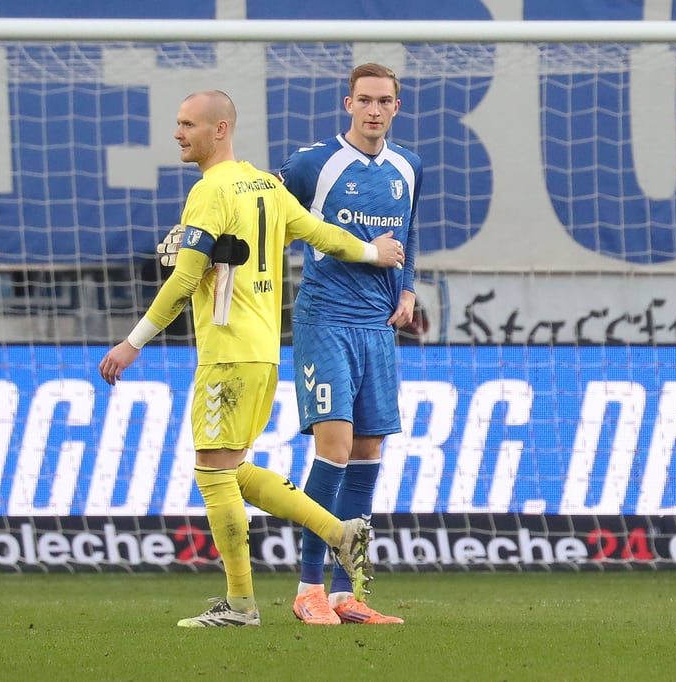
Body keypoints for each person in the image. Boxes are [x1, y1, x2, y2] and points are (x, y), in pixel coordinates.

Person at [99, 89, 405, 628]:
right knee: (231, 467)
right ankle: (338, 532)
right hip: (264, 354)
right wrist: (370, 251)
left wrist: (133, 342)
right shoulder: (266, 183)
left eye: (188, 123)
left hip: (226, 354)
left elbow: (186, 277)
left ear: (220, 129)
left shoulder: (211, 190)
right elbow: (321, 234)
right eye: (178, 122)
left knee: (213, 472)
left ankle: (242, 604)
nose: (178, 133)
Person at [277, 63, 423, 625]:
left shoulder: (408, 166)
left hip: (377, 329)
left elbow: (410, 231)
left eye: (384, 101)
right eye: (364, 100)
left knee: (367, 457)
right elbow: (267, 212)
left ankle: (345, 592)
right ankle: (307, 587)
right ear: (348, 104)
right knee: (333, 450)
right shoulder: (313, 164)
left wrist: (407, 287)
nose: (374, 110)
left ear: (397, 107)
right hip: (326, 321)